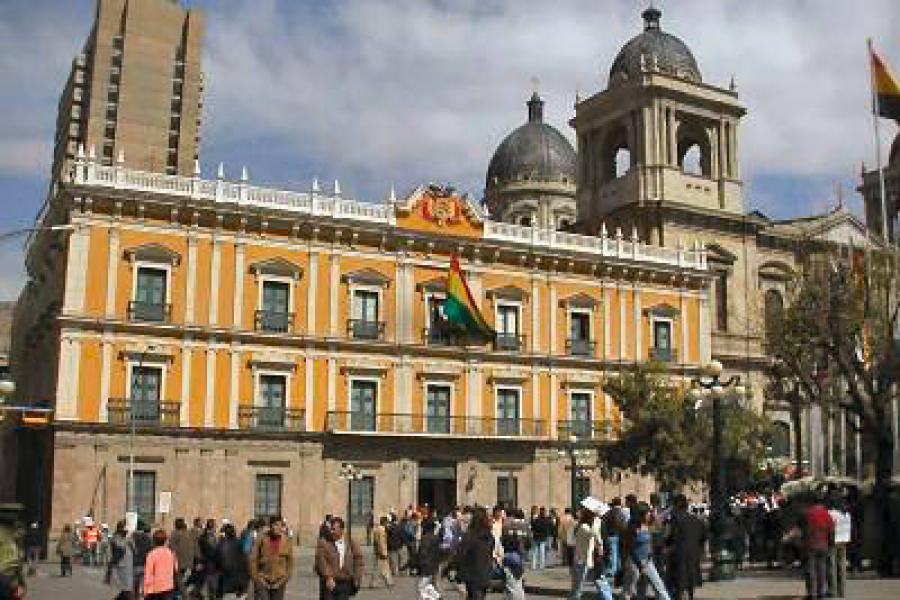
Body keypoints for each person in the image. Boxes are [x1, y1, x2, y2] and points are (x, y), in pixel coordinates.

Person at [569, 498, 612, 600]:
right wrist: (597, 520)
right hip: (583, 560)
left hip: (595, 559)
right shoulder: (582, 526)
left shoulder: (599, 524)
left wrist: (605, 554)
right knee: (577, 588)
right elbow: (592, 534)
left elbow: (604, 541)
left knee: (602, 584)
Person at [665, 494, 706, 600]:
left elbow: (671, 536)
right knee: (690, 579)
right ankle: (690, 595)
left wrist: (665, 545)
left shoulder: (676, 519)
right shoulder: (696, 519)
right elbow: (704, 536)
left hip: (679, 554)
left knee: (679, 581)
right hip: (694, 553)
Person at [627, 503, 670, 600]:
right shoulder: (633, 528)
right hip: (635, 562)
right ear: (641, 514)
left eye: (649, 513)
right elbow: (630, 548)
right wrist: (640, 565)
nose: (649, 514)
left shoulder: (647, 524)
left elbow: (660, 529)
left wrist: (655, 517)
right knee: (630, 590)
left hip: (647, 561)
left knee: (659, 585)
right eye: (647, 513)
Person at [314, 516, 364, 600]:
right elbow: (321, 561)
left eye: (334, 529)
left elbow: (359, 560)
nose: (331, 531)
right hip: (330, 582)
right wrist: (328, 577)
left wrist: (357, 577)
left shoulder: (351, 542)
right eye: (331, 529)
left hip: (345, 582)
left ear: (341, 530)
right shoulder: (324, 542)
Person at [250, 515, 294, 600]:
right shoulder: (262, 539)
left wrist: (285, 578)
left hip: (279, 581)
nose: (276, 528)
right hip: (263, 580)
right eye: (274, 525)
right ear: (270, 526)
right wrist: (257, 578)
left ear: (282, 526)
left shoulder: (287, 541)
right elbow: (253, 559)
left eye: (279, 525)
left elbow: (290, 563)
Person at [456, 508, 494, 600]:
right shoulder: (489, 536)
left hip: (471, 573)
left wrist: (455, 567)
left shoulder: (470, 535)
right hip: (485, 571)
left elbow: (461, 553)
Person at [802, 493, 834, 600]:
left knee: (811, 569)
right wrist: (831, 543)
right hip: (823, 544)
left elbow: (803, 528)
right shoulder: (826, 514)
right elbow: (831, 530)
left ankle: (812, 593)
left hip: (810, 544)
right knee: (822, 569)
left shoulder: (807, 513)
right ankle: (821, 592)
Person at [216, 522, 250, 598]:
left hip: (227, 582)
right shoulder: (240, 543)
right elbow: (245, 562)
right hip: (240, 582)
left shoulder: (221, 545)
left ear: (224, 533)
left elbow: (219, 563)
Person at [827, 496, 851, 598]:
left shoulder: (832, 514)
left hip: (834, 541)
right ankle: (842, 591)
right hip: (844, 540)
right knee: (842, 567)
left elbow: (828, 527)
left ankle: (833, 590)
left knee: (832, 567)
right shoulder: (847, 514)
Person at [144, 529, 178, 600]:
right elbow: (175, 569)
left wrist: (146, 590)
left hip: (155, 588)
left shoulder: (152, 554)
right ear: (165, 540)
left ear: (153, 541)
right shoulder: (170, 553)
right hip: (168, 586)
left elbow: (148, 574)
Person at [106, 520, 134, 600]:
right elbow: (118, 551)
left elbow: (133, 550)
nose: (127, 531)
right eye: (125, 529)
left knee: (125, 592)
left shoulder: (126, 539)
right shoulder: (116, 539)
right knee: (126, 592)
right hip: (121, 569)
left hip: (127, 569)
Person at [167, 518, 195, 593]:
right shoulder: (188, 534)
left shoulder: (174, 534)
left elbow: (171, 549)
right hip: (188, 562)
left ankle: (184, 595)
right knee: (181, 580)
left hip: (178, 562)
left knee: (178, 581)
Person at [417, 519, 442, 600]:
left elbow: (423, 552)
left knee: (424, 585)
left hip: (427, 564)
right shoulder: (436, 538)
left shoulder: (425, 538)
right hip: (434, 563)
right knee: (432, 583)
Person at [369, 516, 393, 589]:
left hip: (377, 551)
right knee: (382, 568)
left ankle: (388, 581)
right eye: (387, 522)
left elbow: (376, 542)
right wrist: (383, 552)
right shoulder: (382, 530)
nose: (388, 524)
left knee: (382, 567)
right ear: (384, 522)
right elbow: (381, 542)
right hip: (381, 551)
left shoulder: (376, 529)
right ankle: (385, 582)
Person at [131, 521, 152, 599]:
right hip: (144, 564)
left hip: (135, 564)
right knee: (143, 586)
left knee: (134, 585)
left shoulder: (133, 537)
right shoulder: (149, 539)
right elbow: (151, 551)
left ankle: (135, 597)